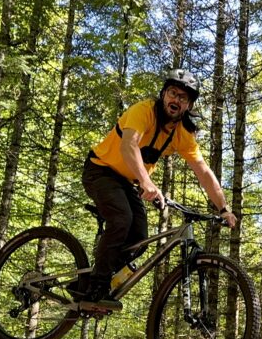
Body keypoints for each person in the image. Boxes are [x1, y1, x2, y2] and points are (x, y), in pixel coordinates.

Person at [80, 69, 237, 308]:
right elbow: (128, 145)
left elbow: (203, 171)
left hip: (128, 183)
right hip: (100, 170)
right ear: (163, 94)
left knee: (139, 239)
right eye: (173, 93)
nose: (176, 100)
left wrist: (224, 208)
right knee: (122, 218)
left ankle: (91, 279)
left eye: (183, 97)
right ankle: (97, 287)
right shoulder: (143, 111)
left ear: (188, 105)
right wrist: (146, 182)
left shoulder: (182, 134)